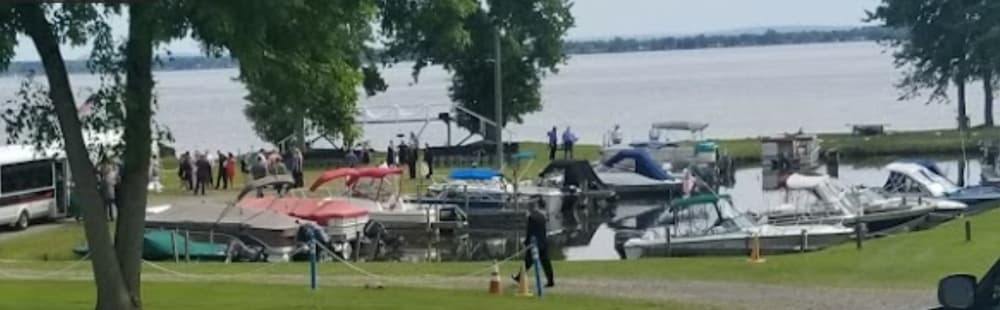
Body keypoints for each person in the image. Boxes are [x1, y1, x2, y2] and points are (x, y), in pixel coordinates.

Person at [513, 197, 554, 287]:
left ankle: (519, 277)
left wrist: (526, 242)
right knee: (546, 262)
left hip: (534, 243)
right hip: (543, 242)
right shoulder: (542, 216)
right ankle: (551, 281)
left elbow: (530, 231)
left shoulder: (531, 217)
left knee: (528, 261)